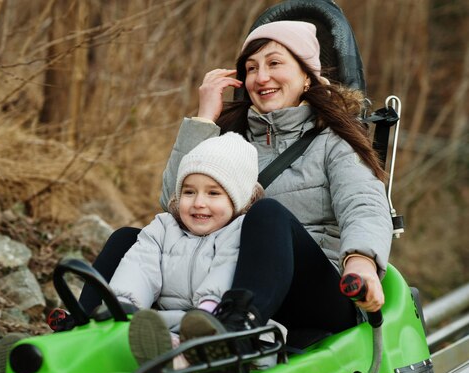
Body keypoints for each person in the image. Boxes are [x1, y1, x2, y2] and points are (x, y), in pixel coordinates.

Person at [80, 20, 392, 348]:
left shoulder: (334, 141)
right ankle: (84, 329)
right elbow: (174, 205)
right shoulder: (231, 137)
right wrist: (203, 121)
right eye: (251, 68)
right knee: (129, 239)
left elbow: (364, 203)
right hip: (224, 280)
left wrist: (361, 260)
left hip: (315, 293)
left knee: (267, 213)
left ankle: (232, 335)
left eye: (274, 63)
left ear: (306, 77)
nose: (261, 77)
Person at [105, 132, 267, 373]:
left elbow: (227, 269)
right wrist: (126, 305)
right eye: (189, 192)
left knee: (217, 336)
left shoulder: (239, 231)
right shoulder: (163, 227)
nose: (198, 202)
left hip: (216, 323)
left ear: (237, 199)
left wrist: (208, 309)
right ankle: (168, 357)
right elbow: (139, 265)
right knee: (148, 329)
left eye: (213, 194)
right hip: (169, 324)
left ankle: (191, 361)